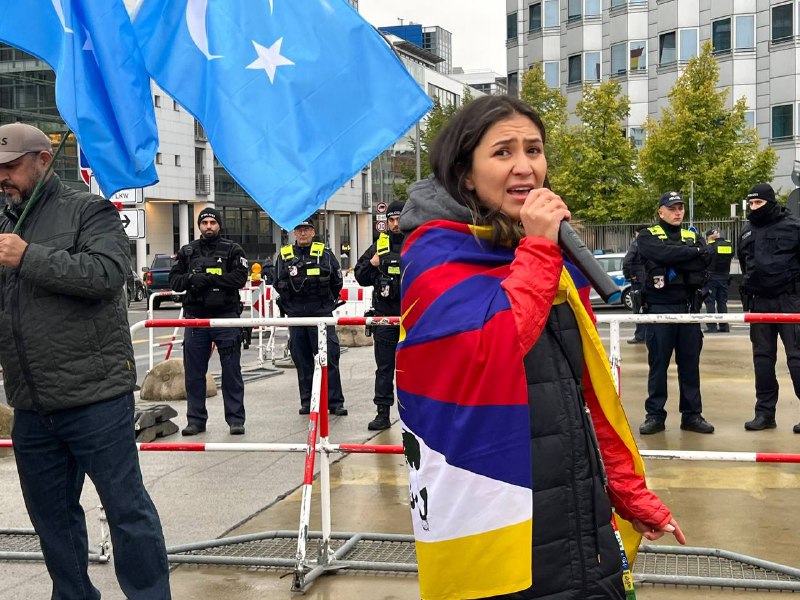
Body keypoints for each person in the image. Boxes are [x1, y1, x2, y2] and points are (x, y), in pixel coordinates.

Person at [396, 95, 685, 600]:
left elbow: (584, 389)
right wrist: (537, 247)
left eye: (534, 149)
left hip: (578, 508)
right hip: (497, 512)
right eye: (503, 152)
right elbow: (492, 352)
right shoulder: (436, 253)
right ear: (466, 173)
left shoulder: (543, 253)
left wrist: (627, 490)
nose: (525, 166)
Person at [0, 123, 171, 599]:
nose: (3, 177)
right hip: (31, 405)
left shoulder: (88, 210)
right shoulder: (5, 222)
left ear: (41, 159)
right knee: (51, 520)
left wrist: (29, 256)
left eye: (11, 166)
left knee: (125, 509)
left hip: (94, 397)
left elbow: (106, 274)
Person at [636, 191, 714, 435]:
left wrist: (676, 256)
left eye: (680, 207)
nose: (678, 212)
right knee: (658, 365)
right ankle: (655, 416)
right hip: (660, 308)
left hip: (689, 307)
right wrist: (689, 254)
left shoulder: (692, 234)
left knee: (690, 365)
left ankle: (692, 415)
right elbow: (658, 254)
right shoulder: (649, 236)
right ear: (661, 211)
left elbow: (704, 260)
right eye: (672, 208)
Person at [169, 208, 248, 436]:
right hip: (196, 319)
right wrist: (192, 278)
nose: (209, 226)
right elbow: (174, 281)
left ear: (219, 225)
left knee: (231, 371)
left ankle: (235, 419)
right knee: (194, 374)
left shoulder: (233, 250)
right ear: (199, 226)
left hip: (226, 318)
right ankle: (195, 420)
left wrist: (211, 279)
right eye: (205, 223)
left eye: (213, 222)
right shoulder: (187, 252)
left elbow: (239, 278)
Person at [738, 183, 800, 432]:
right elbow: (745, 265)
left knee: (797, 359)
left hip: (789, 300)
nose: (754, 208)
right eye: (751, 204)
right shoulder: (745, 232)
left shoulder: (794, 227)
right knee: (762, 359)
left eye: (759, 203)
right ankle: (764, 414)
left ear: (770, 202)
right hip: (759, 301)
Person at [274, 218, 347, 416]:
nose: (303, 233)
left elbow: (336, 282)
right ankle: (307, 402)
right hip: (297, 316)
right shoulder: (285, 255)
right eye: (299, 230)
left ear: (314, 232)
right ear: (294, 233)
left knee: (329, 358)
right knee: (302, 360)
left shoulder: (325, 254)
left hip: (321, 314)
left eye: (306, 229)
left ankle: (335, 402)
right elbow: (277, 282)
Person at [354, 201, 404, 430]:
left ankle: (415, 414)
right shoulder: (379, 246)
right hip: (385, 318)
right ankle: (382, 413)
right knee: (384, 369)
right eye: (391, 220)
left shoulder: (417, 244)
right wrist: (373, 264)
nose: (395, 224)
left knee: (415, 369)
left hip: (412, 320)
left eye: (399, 219)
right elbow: (360, 276)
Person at [703, 227, 733, 333]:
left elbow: (705, 261)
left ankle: (712, 327)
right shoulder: (729, 245)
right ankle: (724, 326)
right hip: (724, 278)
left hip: (711, 279)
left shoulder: (710, 247)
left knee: (710, 302)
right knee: (722, 303)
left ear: (710, 238)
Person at [623, 226, 647, 344]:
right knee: (650, 307)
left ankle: (640, 336)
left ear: (637, 233)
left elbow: (627, 260)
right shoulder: (653, 243)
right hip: (650, 280)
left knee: (638, 308)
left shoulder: (636, 244)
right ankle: (649, 335)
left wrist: (628, 276)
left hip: (638, 280)